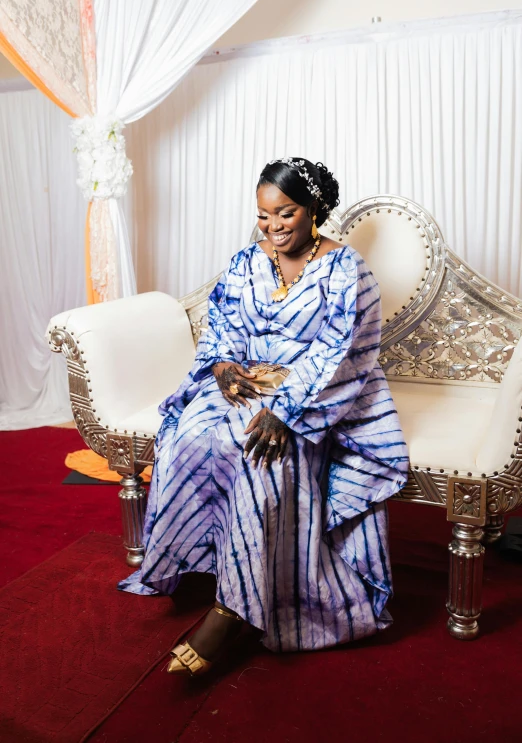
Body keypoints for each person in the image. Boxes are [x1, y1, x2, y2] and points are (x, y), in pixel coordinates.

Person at [119, 157, 409, 676]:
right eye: (264, 215)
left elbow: (345, 352)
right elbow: (222, 325)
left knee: (261, 456)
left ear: (314, 209)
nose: (274, 227)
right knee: (188, 436)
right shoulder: (244, 263)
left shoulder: (347, 269)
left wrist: (289, 412)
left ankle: (236, 609)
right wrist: (224, 366)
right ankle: (211, 564)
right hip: (246, 382)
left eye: (286, 212)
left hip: (313, 395)